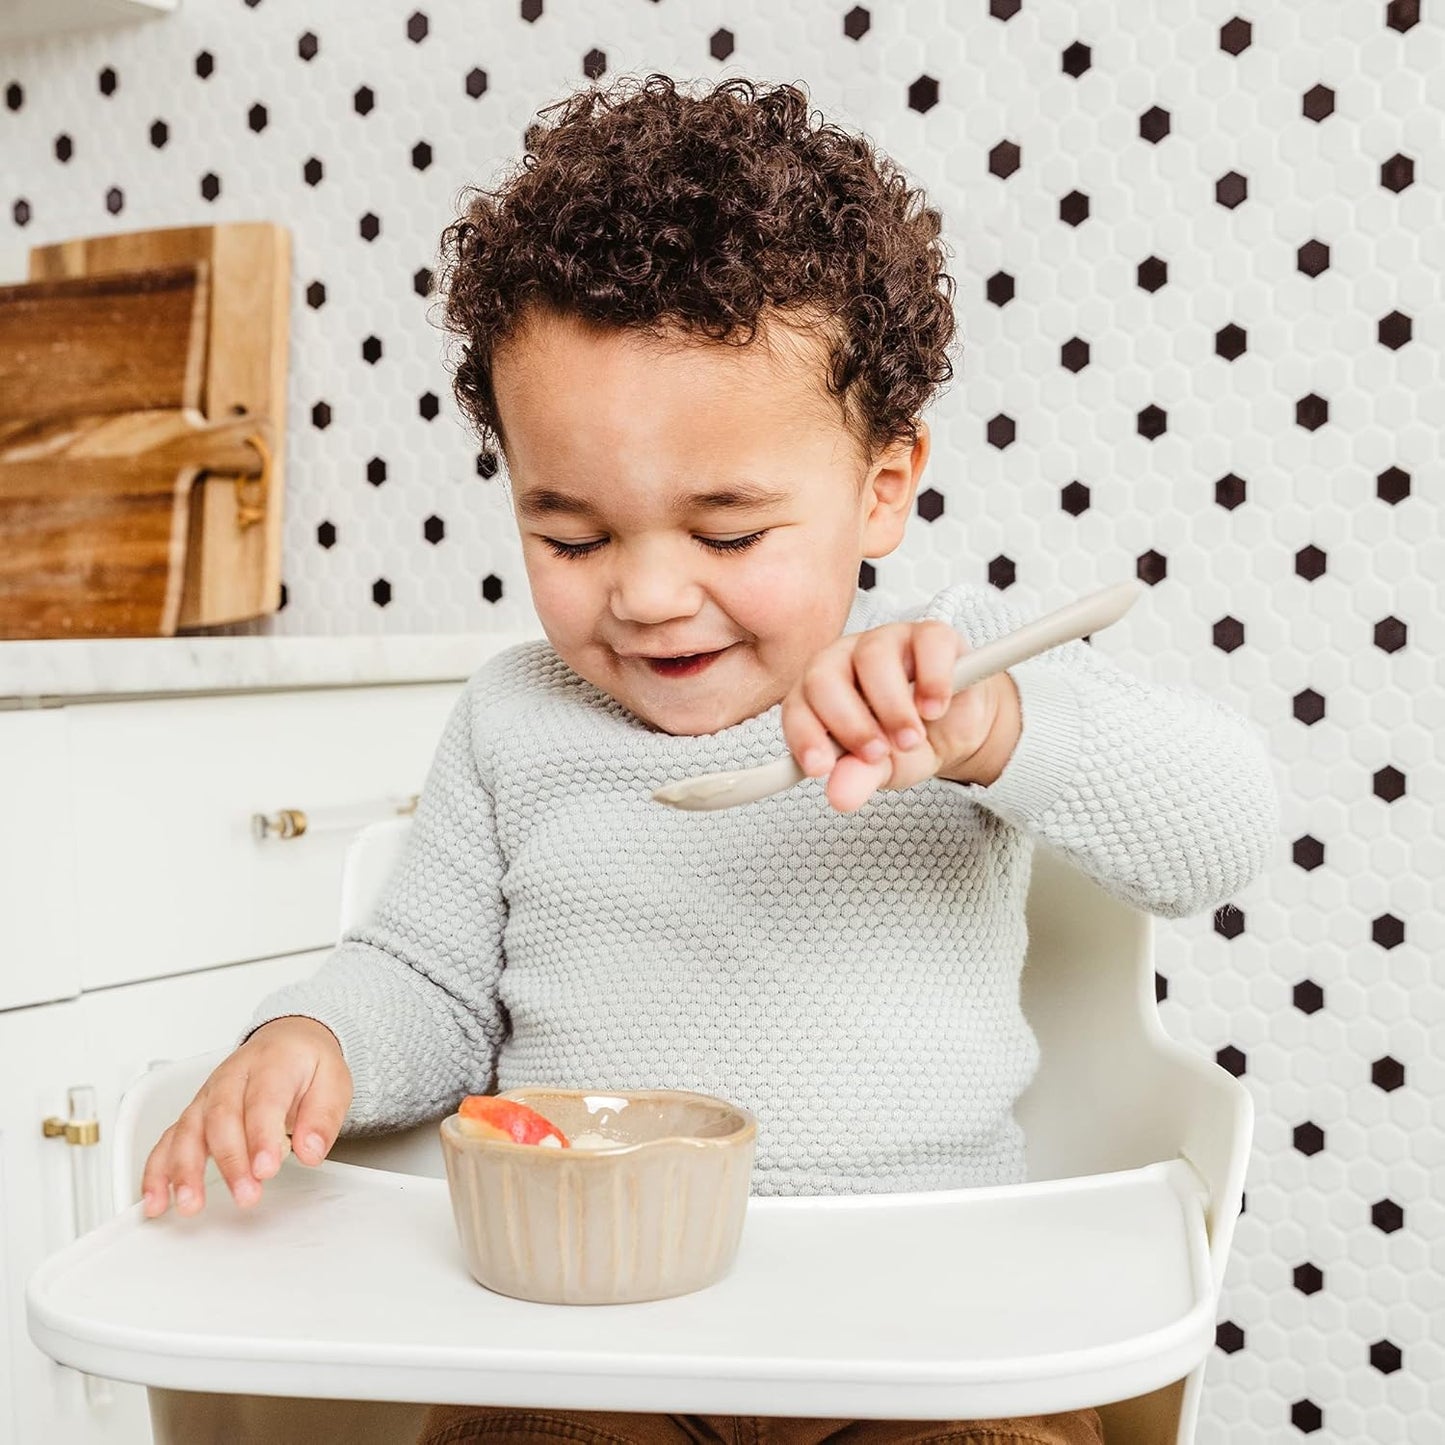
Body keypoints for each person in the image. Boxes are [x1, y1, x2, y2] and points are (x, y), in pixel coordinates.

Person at [141, 75, 1278, 1445]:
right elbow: (428, 983)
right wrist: (312, 1034)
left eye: (727, 533)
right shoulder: (517, 719)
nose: (649, 595)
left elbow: (1224, 829)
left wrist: (994, 736)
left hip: (921, 1333)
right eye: (571, 535)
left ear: (880, 485)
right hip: (586, 1341)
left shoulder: (950, 676)